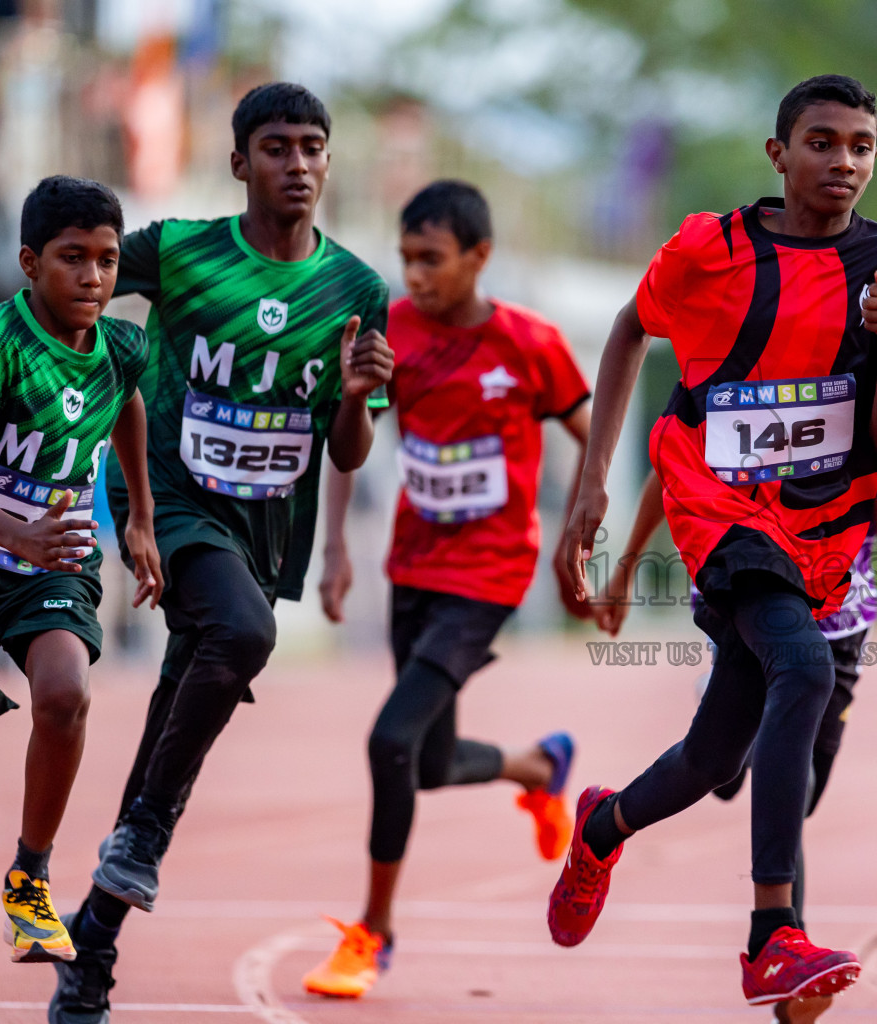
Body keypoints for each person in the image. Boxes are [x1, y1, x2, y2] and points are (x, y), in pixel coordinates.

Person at [551, 73, 877, 1007]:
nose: (842, 161)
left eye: (860, 145)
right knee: (802, 672)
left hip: (826, 536)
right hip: (718, 507)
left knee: (716, 755)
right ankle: (775, 933)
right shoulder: (705, 251)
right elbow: (627, 330)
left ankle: (604, 824)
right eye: (821, 141)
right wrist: (593, 478)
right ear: (779, 154)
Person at [50, 82, 393, 1023]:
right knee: (240, 636)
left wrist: (360, 398)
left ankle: (94, 946)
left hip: (265, 524)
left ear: (329, 161)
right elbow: (68, 283)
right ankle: (147, 836)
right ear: (240, 162)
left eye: (313, 147)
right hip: (171, 499)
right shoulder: (180, 251)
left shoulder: (356, 291)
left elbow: (348, 449)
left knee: (176, 723)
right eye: (276, 147)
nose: (298, 164)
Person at [303, 179, 590, 998]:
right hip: (412, 570)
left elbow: (588, 429)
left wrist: (581, 527)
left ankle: (372, 934)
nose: (416, 275)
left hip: (491, 573)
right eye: (407, 259)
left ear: (479, 257)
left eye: (431, 260)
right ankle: (537, 767)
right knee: (424, 764)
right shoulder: (391, 332)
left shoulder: (530, 343)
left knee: (389, 742)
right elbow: (349, 445)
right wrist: (335, 549)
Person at [598, 447, 877, 1023]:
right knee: (761, 780)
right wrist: (625, 565)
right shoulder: (737, 375)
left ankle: (731, 723)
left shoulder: (867, 381)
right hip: (749, 591)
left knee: (801, 788)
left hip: (841, 619)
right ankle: (786, 951)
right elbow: (665, 470)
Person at [0, 176, 159, 965]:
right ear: (28, 262)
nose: (92, 278)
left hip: (53, 564)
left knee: (62, 693)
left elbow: (128, 406)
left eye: (108, 261)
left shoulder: (121, 347)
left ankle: (30, 878)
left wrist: (143, 516)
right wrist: (20, 534)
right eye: (71, 259)